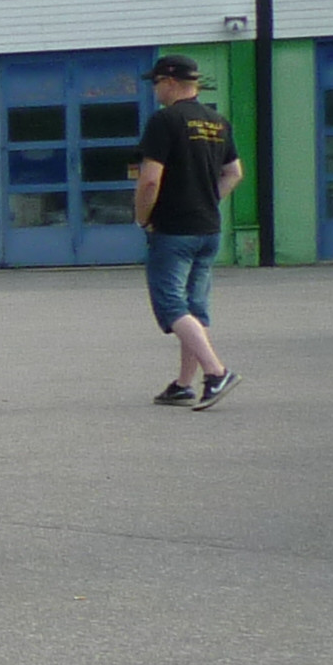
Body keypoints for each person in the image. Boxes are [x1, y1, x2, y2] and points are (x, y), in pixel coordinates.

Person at [132, 53, 244, 407]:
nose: (155, 91)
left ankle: (215, 372)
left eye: (156, 84)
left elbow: (150, 181)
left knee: (170, 304)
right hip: (208, 228)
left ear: (168, 82)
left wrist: (142, 216)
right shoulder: (217, 121)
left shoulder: (165, 122)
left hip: (174, 229)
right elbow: (234, 173)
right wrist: (209, 199)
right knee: (195, 306)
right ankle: (184, 383)